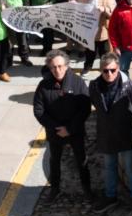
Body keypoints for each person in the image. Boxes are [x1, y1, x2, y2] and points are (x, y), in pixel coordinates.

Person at [89, 52, 132, 216]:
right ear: (100, 71)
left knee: (131, 169)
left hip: (125, 133)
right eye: (105, 71)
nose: (109, 74)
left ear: (118, 68)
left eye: (113, 70)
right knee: (109, 167)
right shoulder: (94, 86)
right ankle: (110, 196)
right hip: (106, 134)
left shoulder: (130, 86)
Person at [33, 50, 92, 202]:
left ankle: (87, 188)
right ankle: (55, 188)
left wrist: (70, 129)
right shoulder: (44, 85)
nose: (57, 70)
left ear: (66, 66)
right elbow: (39, 111)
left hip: (75, 131)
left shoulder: (78, 82)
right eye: (53, 67)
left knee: (82, 160)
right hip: (55, 133)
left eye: (60, 66)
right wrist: (56, 128)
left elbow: (85, 108)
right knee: (54, 161)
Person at [76, 0, 116, 72]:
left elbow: (112, 13)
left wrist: (104, 9)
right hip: (90, 31)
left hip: (103, 31)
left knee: (105, 53)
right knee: (90, 52)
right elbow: (78, 8)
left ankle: (106, 69)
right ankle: (87, 67)